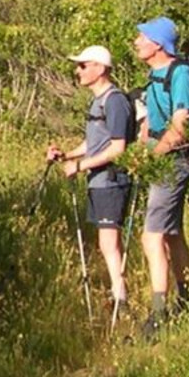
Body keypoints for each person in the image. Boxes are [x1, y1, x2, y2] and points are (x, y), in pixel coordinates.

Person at [45, 44, 137, 324]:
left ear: (99, 68)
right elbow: (95, 142)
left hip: (111, 180)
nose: (78, 71)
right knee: (105, 243)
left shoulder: (115, 100)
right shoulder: (97, 101)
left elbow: (118, 148)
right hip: (98, 181)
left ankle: (121, 301)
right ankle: (118, 297)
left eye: (83, 65)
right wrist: (67, 155)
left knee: (109, 243)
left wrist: (79, 166)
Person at [133, 16, 189, 335]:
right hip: (162, 161)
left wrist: (150, 158)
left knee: (151, 235)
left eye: (141, 38)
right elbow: (151, 124)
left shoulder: (181, 73)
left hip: (174, 162)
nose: (136, 42)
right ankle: (186, 301)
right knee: (171, 234)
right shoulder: (153, 75)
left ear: (157, 43)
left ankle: (158, 315)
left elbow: (179, 128)